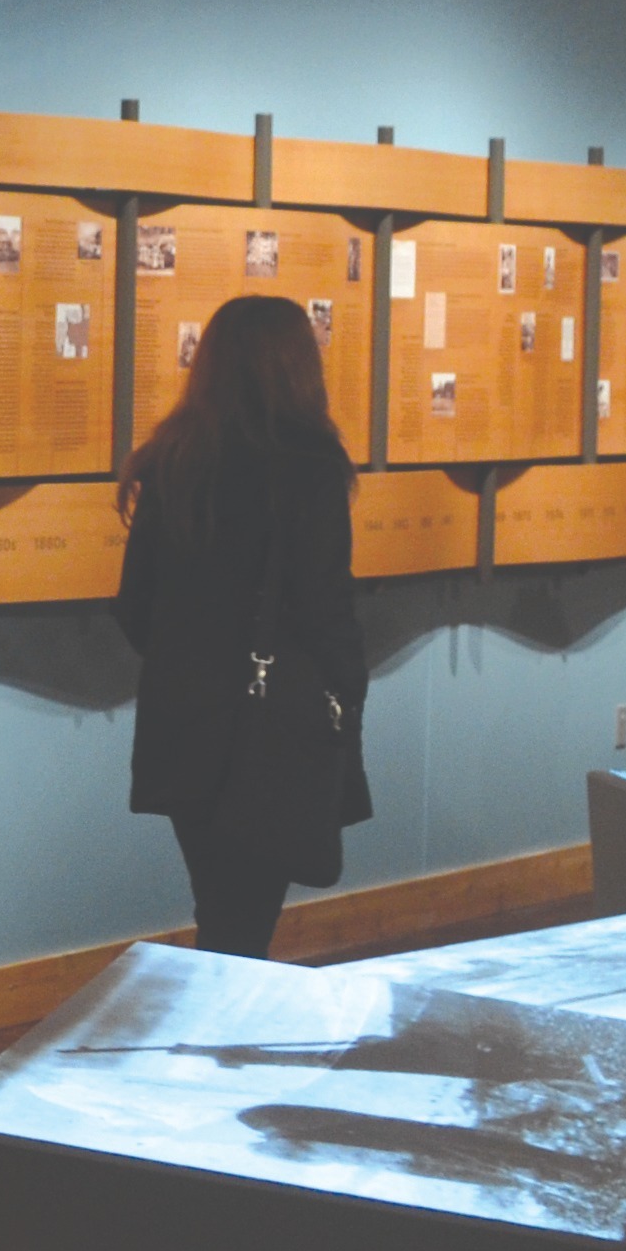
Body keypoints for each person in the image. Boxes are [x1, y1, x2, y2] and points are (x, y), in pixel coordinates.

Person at [113, 291, 366, 959]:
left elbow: (134, 607)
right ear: (296, 365)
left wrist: (191, 660)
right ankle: (218, 1049)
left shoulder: (174, 459)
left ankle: (213, 1043)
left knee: (221, 907)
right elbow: (324, 605)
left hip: (184, 719)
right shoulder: (309, 464)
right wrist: (345, 691)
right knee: (243, 921)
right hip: (271, 726)